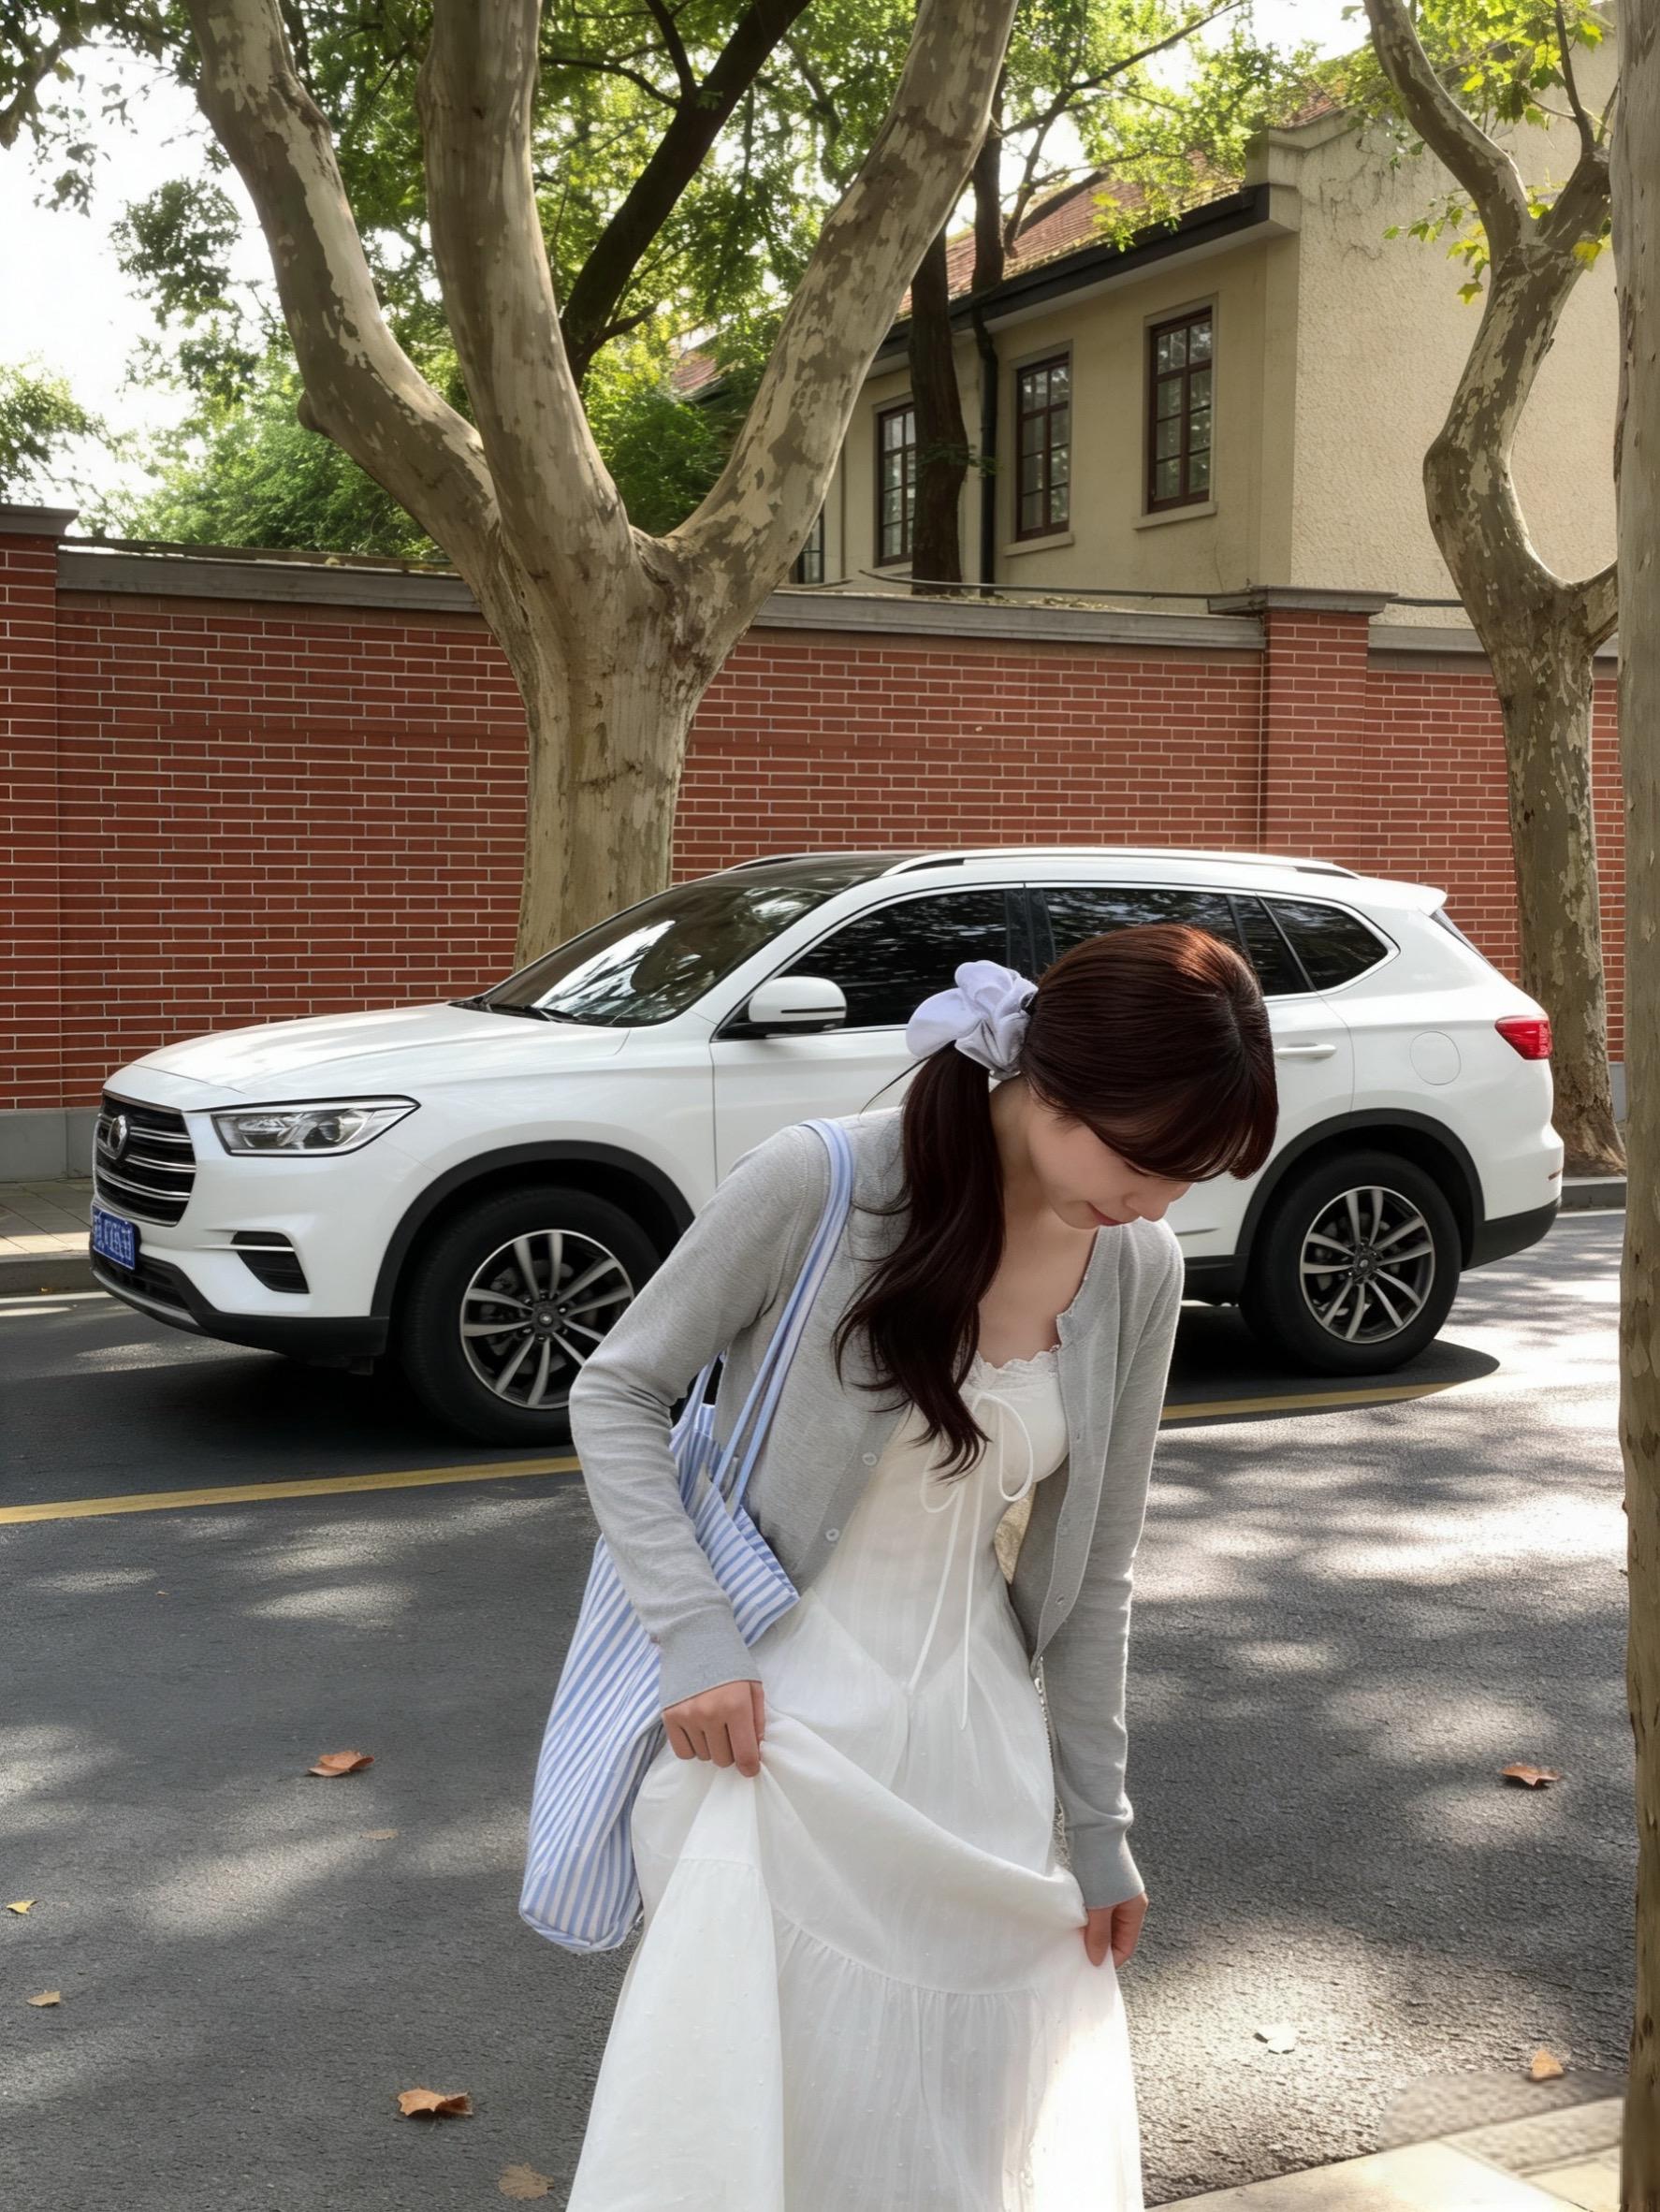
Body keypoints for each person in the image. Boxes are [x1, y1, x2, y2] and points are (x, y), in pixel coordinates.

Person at [561, 922, 1277, 2210]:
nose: (1160, 1202)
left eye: (1191, 1175)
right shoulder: (823, 1182)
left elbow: (1096, 1574)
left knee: (965, 2120)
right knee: (765, 2116)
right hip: (775, 1734)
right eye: (1145, 1161)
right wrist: (694, 1639)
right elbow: (616, 1391)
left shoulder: (1137, 1269)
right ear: (1049, 1089)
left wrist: (1100, 1831)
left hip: (978, 1754)